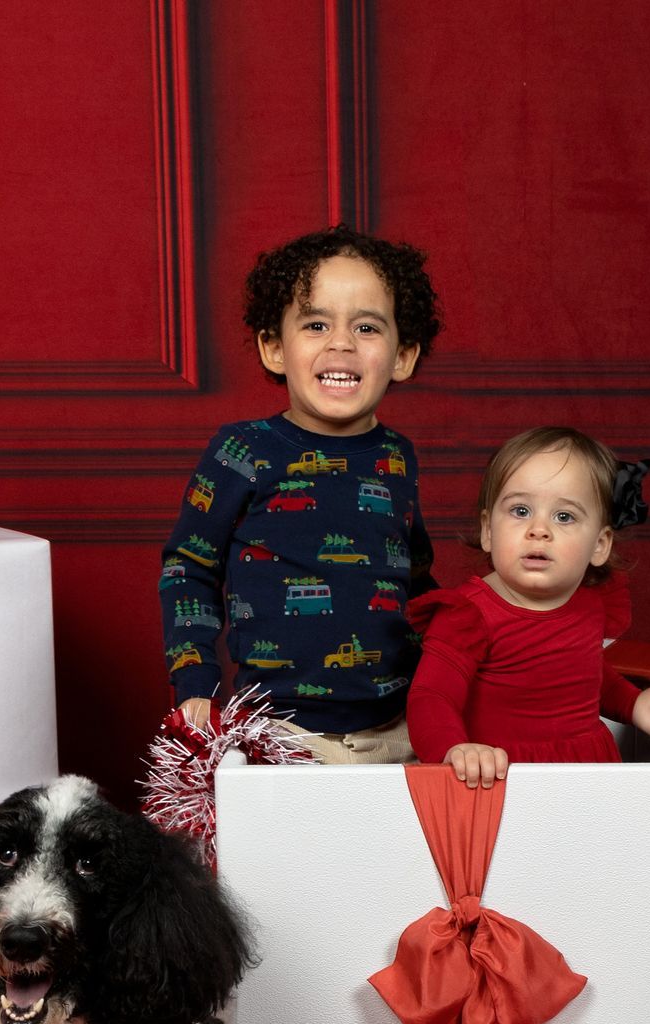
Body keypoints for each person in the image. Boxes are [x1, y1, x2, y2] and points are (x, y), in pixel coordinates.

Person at [157, 225, 441, 764]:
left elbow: (417, 580)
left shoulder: (398, 457)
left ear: (403, 356)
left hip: (400, 728)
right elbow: (188, 567)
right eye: (315, 324)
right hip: (278, 732)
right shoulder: (242, 450)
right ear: (274, 348)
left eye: (366, 327)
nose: (341, 343)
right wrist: (195, 678)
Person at [407, 427, 650, 785]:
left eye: (564, 517)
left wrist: (634, 703)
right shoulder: (468, 614)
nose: (539, 530)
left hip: (588, 770)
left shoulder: (589, 604)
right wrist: (454, 750)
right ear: (488, 532)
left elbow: (590, 677)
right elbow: (431, 696)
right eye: (520, 510)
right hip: (499, 776)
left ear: (600, 545)